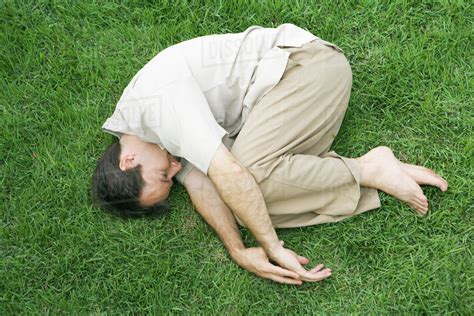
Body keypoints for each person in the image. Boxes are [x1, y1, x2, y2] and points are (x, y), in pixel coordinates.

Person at [92, 23, 448, 285]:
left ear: (129, 161)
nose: (174, 169)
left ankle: (370, 169)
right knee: (248, 205)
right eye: (172, 178)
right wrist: (239, 249)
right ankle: (363, 171)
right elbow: (203, 185)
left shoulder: (158, 105)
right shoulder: (152, 140)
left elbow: (228, 173)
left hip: (307, 69)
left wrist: (272, 246)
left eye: (164, 176)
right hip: (278, 106)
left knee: (247, 178)